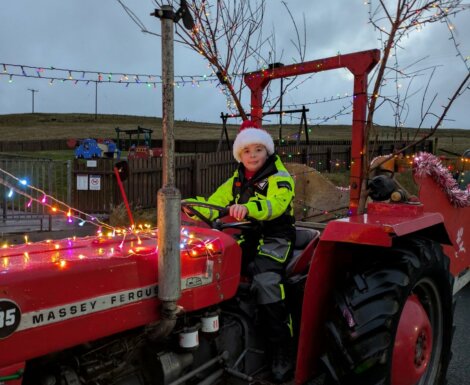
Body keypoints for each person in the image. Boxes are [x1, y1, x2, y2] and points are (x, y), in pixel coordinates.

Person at [183, 120, 296, 382]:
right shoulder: (236, 180)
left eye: (258, 149)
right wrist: (192, 205)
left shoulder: (280, 178)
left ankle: (282, 348)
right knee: (216, 267)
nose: (253, 155)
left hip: (275, 237)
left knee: (266, 281)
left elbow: (275, 206)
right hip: (249, 235)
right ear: (239, 155)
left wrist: (248, 208)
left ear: (267, 151)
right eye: (247, 151)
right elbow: (215, 203)